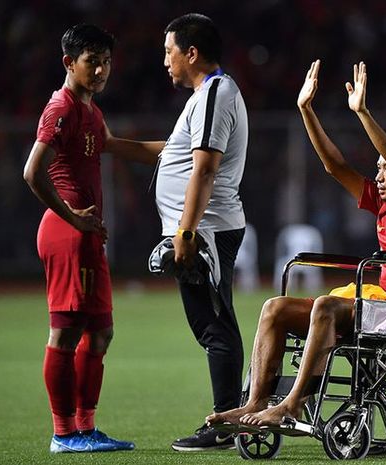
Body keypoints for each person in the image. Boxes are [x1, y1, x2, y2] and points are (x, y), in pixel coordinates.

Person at [206, 59, 386, 429]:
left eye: (385, 168)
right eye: (378, 168)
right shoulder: (384, 201)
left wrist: (363, 113)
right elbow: (335, 166)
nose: (380, 175)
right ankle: (256, 402)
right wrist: (306, 110)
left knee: (326, 305)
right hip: (379, 305)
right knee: (274, 308)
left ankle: (291, 405)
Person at [23, 24, 162, 453]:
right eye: (91, 61)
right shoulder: (61, 109)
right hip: (68, 232)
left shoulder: (90, 111)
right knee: (66, 333)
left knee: (101, 333)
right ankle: (63, 434)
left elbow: (118, 147)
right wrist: (73, 218)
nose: (101, 70)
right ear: (69, 63)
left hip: (87, 233)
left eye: (106, 62)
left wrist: (182, 148)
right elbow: (32, 172)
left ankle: (85, 428)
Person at [155, 14, 249, 451]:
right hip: (205, 228)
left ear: (191, 53)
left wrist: (187, 233)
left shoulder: (214, 93)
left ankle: (227, 421)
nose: (166, 61)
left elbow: (205, 168)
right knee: (213, 323)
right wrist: (115, 145)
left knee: (214, 325)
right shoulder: (207, 95)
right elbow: (177, 153)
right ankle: (231, 414)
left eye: (170, 51)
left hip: (206, 230)